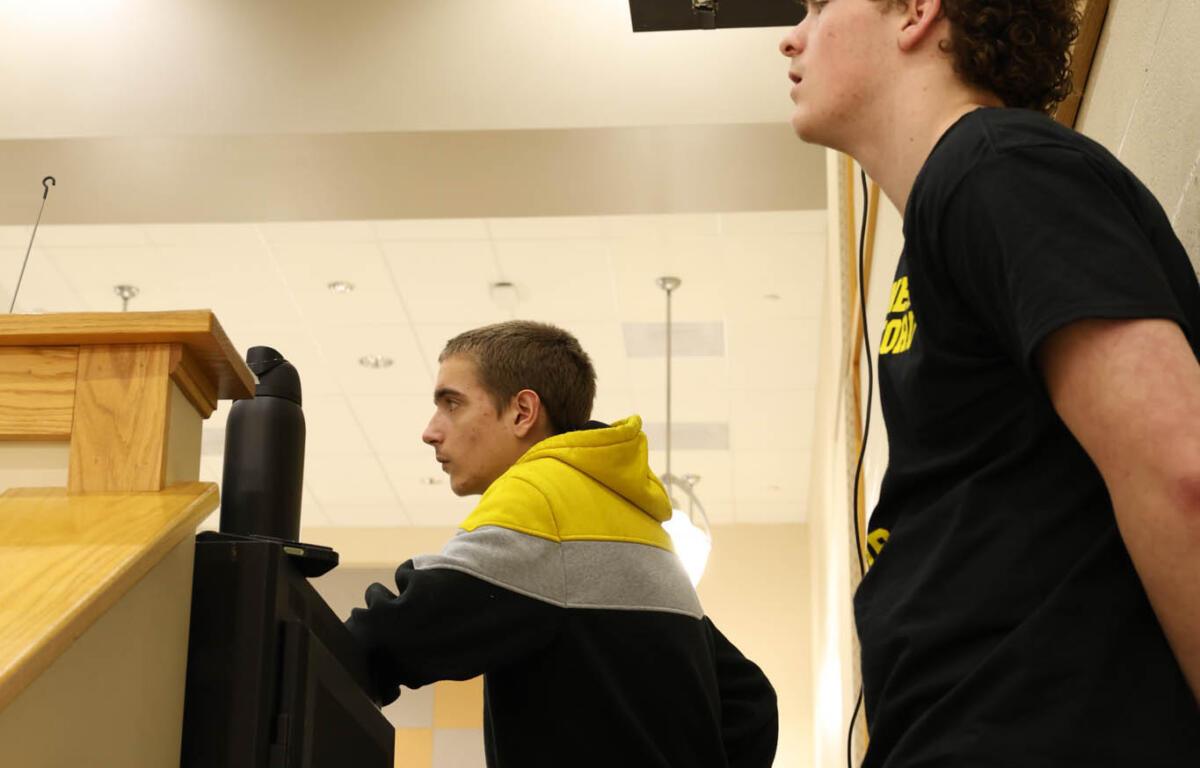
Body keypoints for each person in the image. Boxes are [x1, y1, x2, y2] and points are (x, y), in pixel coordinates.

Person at [780, 0, 1200, 765]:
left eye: (819, 4)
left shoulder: (997, 167)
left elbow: (1182, 473)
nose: (791, 37)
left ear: (916, 10)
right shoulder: (953, 204)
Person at [345, 320, 778, 768]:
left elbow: (392, 636)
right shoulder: (634, 521)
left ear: (522, 412)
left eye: (452, 404)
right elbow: (749, 700)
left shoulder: (542, 496)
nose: (431, 431)